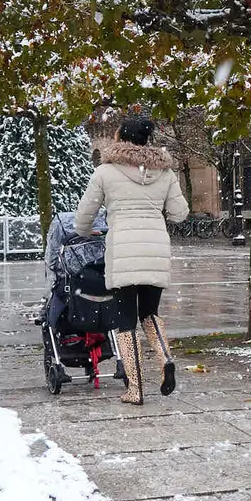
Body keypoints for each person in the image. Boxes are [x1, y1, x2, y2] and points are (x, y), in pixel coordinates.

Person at [75, 116, 189, 405]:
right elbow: (180, 213)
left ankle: (136, 389)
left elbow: (83, 216)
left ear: (121, 139)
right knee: (150, 312)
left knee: (125, 321)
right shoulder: (165, 172)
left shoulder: (105, 172)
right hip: (155, 248)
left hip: (124, 249)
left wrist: (87, 230)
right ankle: (165, 359)